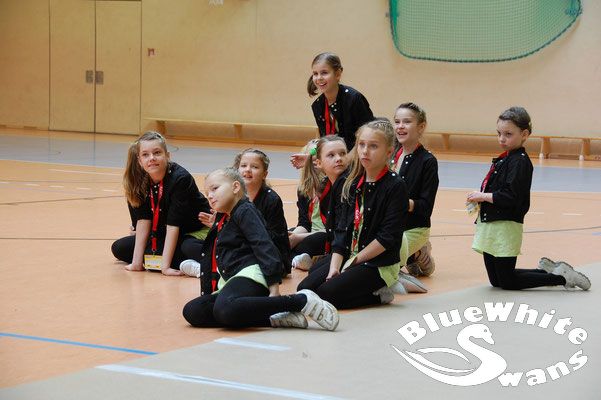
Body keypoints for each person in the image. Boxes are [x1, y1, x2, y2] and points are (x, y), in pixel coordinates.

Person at [182, 168, 339, 330]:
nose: (209, 195)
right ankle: (274, 318)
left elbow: (264, 245)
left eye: (215, 188)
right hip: (232, 279)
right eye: (207, 192)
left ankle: (300, 301)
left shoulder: (245, 210)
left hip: (252, 275)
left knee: (224, 309)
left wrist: (274, 288)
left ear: (235, 187)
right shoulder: (224, 217)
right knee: (194, 311)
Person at [467, 107, 590, 290]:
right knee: (497, 281)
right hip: (490, 224)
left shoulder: (520, 161)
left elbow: (510, 196)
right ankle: (546, 272)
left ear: (524, 134)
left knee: (508, 282)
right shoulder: (506, 158)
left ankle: (562, 278)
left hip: (505, 226)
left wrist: (483, 196)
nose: (502, 139)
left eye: (508, 134)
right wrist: (480, 198)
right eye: (499, 133)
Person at [298, 119, 409, 309]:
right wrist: (335, 267)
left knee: (326, 293)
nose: (365, 151)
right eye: (361, 145)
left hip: (377, 262)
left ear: (389, 152)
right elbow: (342, 230)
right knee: (305, 288)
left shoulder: (395, 186)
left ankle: (380, 295)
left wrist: (353, 262)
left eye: (373, 146)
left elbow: (387, 238)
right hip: (350, 253)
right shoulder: (353, 183)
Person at [180, 149, 293, 277]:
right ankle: (211, 267)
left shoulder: (271, 199)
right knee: (188, 245)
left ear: (264, 174)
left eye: (255, 167)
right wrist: (218, 226)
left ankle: (209, 269)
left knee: (234, 250)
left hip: (265, 253)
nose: (248, 170)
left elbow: (273, 239)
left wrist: (235, 230)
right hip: (239, 248)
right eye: (243, 165)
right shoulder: (230, 196)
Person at [111, 131, 210, 276]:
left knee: (187, 248)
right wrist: (137, 263)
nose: (152, 158)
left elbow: (173, 225)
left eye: (157, 153)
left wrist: (165, 267)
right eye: (145, 155)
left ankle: (201, 263)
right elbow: (143, 220)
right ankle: (183, 263)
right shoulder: (141, 180)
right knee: (120, 248)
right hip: (165, 232)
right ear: (139, 161)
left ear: (167, 156)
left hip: (194, 231)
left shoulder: (180, 178)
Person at [290, 52, 374, 169]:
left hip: (359, 156)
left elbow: (367, 139)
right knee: (309, 150)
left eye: (324, 73)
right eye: (315, 74)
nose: (319, 78)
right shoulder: (318, 105)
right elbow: (325, 141)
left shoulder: (354, 99)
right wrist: (310, 158)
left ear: (338, 74)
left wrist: (345, 161)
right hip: (338, 158)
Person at [390, 103, 439, 293]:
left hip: (414, 228)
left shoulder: (427, 161)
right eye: (397, 122)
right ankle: (416, 255)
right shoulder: (390, 155)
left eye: (407, 122)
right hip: (390, 225)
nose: (400, 126)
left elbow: (425, 207)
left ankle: (416, 250)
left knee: (385, 259)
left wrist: (402, 203)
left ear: (421, 127)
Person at [289, 136, 348, 271]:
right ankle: (300, 258)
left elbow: (333, 229)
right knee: (284, 236)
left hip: (326, 234)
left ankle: (298, 258)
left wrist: (298, 238)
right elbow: (304, 222)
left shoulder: (332, 184)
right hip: (310, 232)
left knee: (311, 242)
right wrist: (293, 236)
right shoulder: (304, 188)